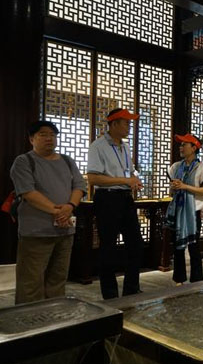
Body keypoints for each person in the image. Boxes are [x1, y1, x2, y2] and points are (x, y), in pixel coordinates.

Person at [9, 121, 86, 304]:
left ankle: (53, 316)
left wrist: (70, 206)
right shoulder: (24, 161)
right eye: (43, 134)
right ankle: (29, 318)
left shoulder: (67, 161)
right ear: (31, 139)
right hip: (36, 232)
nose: (49, 138)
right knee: (30, 283)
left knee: (58, 280)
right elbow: (28, 192)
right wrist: (58, 212)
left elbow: (79, 186)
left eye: (52, 135)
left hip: (64, 231)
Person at [87, 108, 144, 299]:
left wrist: (134, 179)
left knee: (136, 244)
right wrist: (125, 180)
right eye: (126, 123)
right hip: (107, 199)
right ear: (114, 123)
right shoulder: (98, 146)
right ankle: (110, 295)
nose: (129, 127)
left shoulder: (125, 147)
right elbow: (93, 178)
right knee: (108, 247)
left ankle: (131, 290)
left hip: (126, 198)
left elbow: (129, 171)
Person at [167, 133, 203, 285]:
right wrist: (174, 188)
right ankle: (179, 279)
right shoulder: (175, 167)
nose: (180, 147)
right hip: (178, 210)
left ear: (193, 148)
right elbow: (171, 192)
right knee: (177, 246)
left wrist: (185, 186)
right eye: (180, 145)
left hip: (193, 212)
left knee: (194, 247)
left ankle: (196, 279)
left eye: (184, 144)